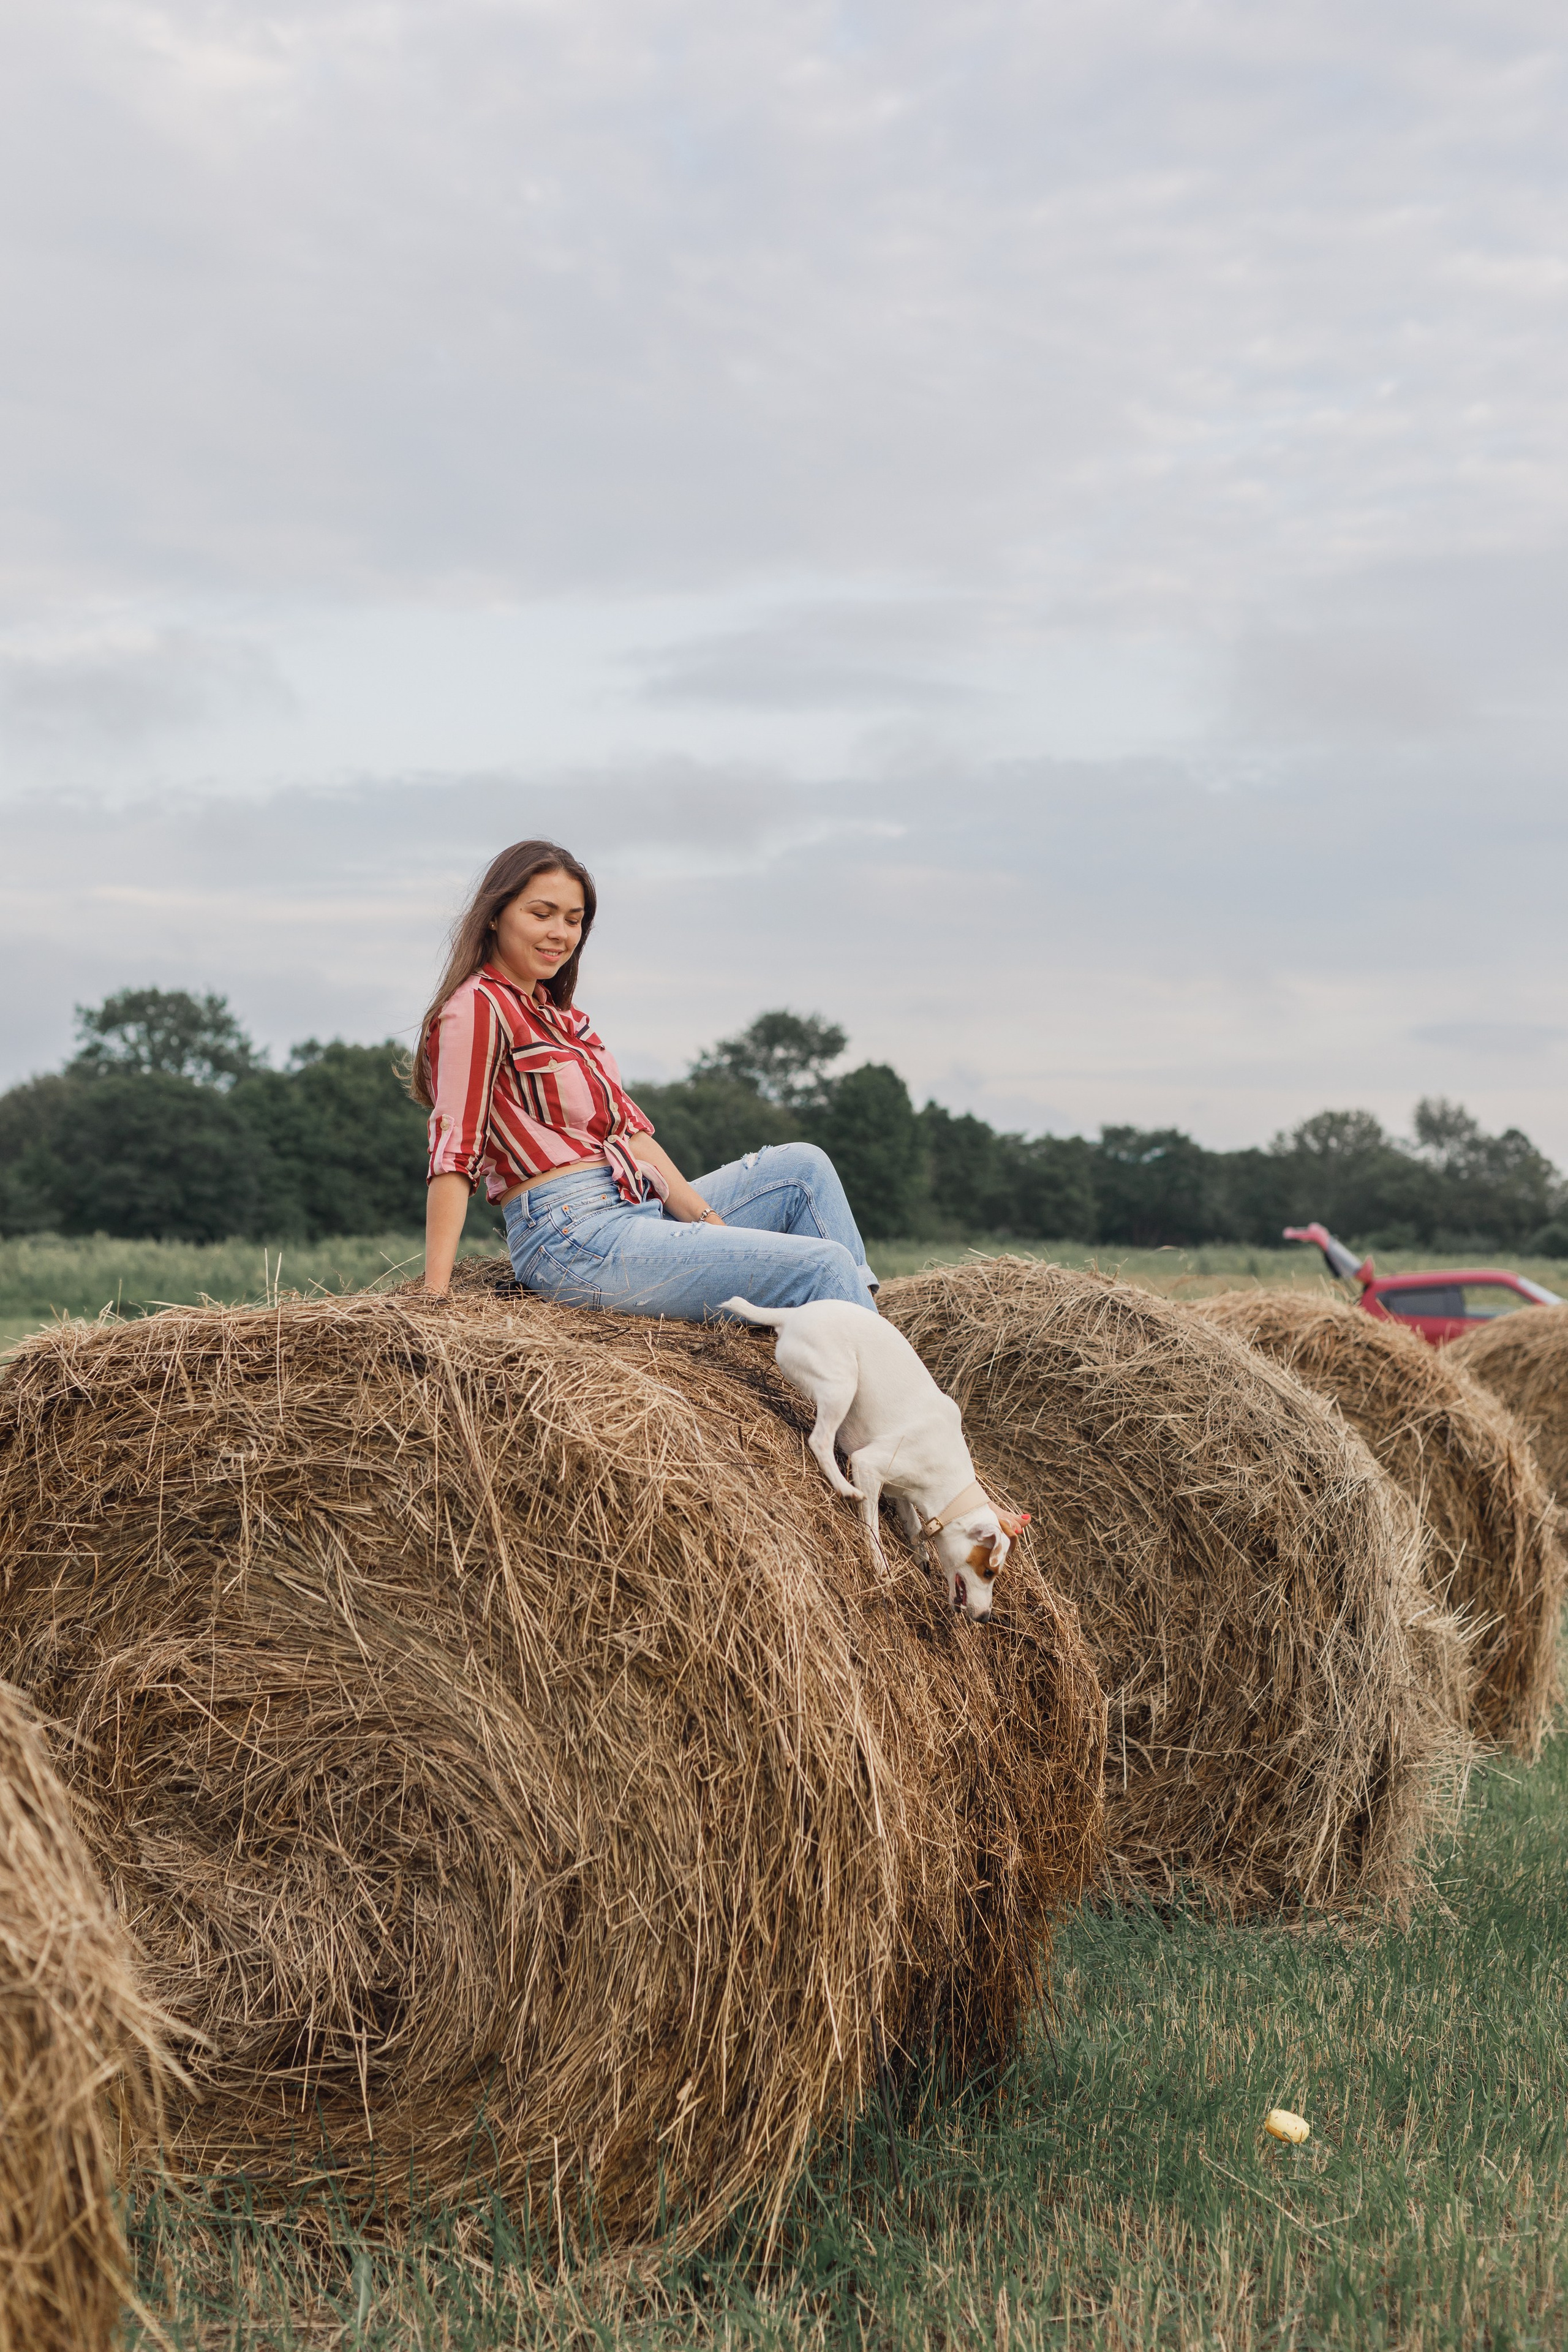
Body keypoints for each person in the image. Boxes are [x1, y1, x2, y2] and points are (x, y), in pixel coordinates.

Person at [411, 838, 880, 1317]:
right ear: (495, 914)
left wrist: (712, 1228)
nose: (560, 933)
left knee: (805, 1169)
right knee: (824, 1265)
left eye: (573, 921)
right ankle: (884, 1367)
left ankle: (866, 1329)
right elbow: (454, 1153)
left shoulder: (564, 1021)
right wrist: (435, 1299)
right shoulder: (477, 1006)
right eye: (542, 914)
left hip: (632, 1201)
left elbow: (632, 1136)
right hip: (572, 1235)